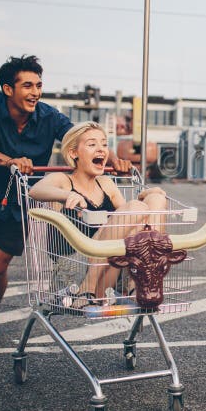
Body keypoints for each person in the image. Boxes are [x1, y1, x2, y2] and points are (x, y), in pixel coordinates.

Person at [0, 55, 130, 347]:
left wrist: (113, 159)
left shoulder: (48, 115)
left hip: (22, 199)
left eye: (38, 85)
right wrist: (8, 160)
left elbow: (80, 138)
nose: (35, 92)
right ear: (8, 89)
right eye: (27, 86)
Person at [28, 122, 167, 306]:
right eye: (92, 144)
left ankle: (140, 283)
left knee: (155, 200)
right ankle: (88, 289)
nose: (101, 149)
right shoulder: (63, 180)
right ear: (73, 153)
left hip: (110, 267)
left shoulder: (105, 183)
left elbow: (134, 221)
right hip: (75, 275)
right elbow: (36, 190)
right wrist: (67, 195)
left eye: (104, 144)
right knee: (136, 207)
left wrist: (150, 195)